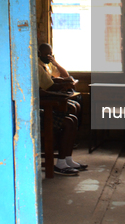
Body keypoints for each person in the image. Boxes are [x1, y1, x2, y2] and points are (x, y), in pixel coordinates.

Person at [38, 43, 87, 175]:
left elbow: (64, 76)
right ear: (38, 54)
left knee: (73, 119)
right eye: (46, 54)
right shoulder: (37, 67)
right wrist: (62, 86)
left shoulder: (48, 65)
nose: (49, 57)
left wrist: (55, 62)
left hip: (46, 105)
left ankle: (67, 159)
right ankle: (60, 163)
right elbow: (48, 88)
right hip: (40, 111)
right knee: (69, 121)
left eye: (51, 54)